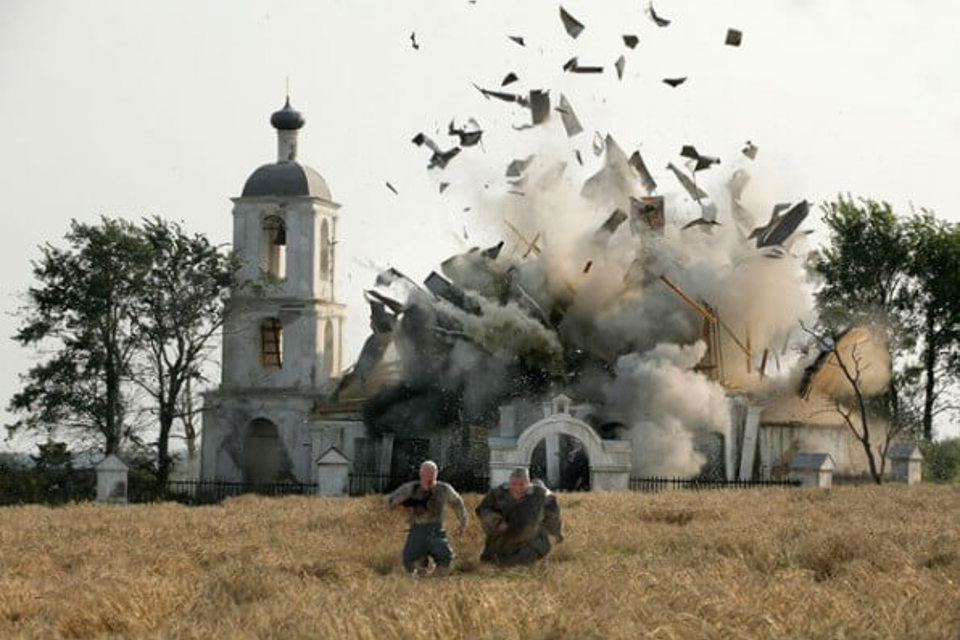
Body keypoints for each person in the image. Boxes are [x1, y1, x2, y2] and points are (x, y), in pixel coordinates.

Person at [386, 460, 467, 575]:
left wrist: (462, 521)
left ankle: (436, 577)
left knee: (446, 557)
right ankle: (421, 568)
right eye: (426, 474)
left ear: (436, 475)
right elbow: (388, 500)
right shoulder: (410, 488)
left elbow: (457, 502)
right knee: (408, 561)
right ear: (420, 474)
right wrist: (395, 502)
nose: (428, 477)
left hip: (436, 530)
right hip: (417, 529)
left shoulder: (443, 489)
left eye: (431, 474)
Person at [476, 467, 564, 567]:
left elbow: (552, 514)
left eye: (521, 484)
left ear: (528, 483)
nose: (517, 488)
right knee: (490, 564)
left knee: (515, 566)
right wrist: (496, 521)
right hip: (502, 540)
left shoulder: (540, 495)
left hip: (530, 543)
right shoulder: (497, 494)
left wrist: (557, 532)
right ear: (509, 482)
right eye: (514, 484)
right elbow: (482, 510)